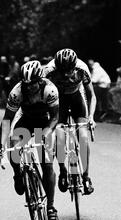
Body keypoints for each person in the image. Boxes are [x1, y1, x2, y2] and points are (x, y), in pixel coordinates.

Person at [0, 61, 60, 220]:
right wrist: (1, 145)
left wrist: (46, 133)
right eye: (26, 84)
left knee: (46, 164)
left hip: (44, 122)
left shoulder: (49, 89)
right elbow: (7, 120)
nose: (29, 88)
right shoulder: (16, 92)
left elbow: (54, 118)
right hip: (25, 120)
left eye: (32, 84)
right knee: (14, 144)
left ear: (40, 80)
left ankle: (51, 207)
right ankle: (18, 174)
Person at [43, 48, 96, 195]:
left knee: (83, 137)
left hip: (76, 97)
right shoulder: (48, 71)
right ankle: (63, 171)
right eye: (62, 71)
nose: (66, 74)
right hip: (58, 100)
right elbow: (43, 96)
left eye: (69, 71)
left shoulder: (82, 69)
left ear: (74, 66)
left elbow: (92, 95)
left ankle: (86, 176)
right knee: (59, 137)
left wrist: (91, 117)